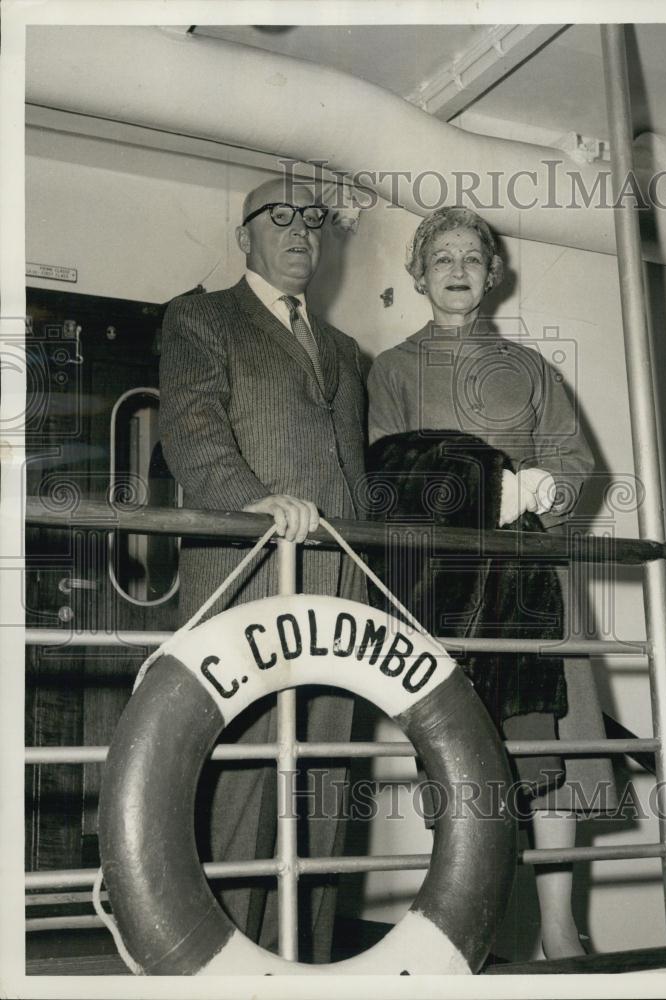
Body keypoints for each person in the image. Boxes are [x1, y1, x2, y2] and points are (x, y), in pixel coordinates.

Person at [366, 206, 616, 961]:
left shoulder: (534, 371)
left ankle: (557, 927)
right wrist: (476, 488)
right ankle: (467, 927)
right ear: (417, 275)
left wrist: (542, 491)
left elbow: (579, 471)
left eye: (471, 257)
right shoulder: (390, 371)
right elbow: (382, 477)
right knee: (461, 758)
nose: (455, 269)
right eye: (440, 257)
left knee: (560, 757)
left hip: (534, 578)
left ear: (491, 273)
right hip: (446, 590)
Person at [159, 175, 369, 962]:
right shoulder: (202, 317)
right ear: (243, 236)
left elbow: (351, 473)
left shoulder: (349, 351)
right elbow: (193, 428)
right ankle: (220, 966)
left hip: (337, 592)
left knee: (318, 784)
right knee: (242, 783)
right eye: (278, 219)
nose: (299, 233)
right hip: (243, 582)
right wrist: (253, 501)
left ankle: (301, 964)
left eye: (313, 222)